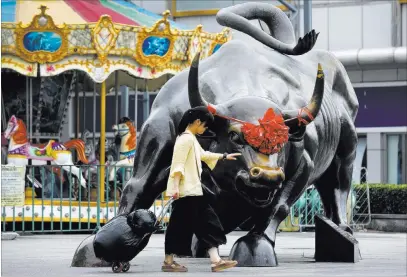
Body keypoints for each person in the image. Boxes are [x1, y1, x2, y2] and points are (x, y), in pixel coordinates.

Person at [162, 106, 241, 273]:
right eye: (204, 125)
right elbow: (178, 165)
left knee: (186, 225)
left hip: (191, 191)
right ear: (197, 122)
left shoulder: (189, 138)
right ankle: (214, 260)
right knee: (205, 223)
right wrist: (175, 187)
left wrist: (224, 156)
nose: (204, 129)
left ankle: (212, 260)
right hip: (187, 192)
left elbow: (203, 155)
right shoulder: (186, 139)